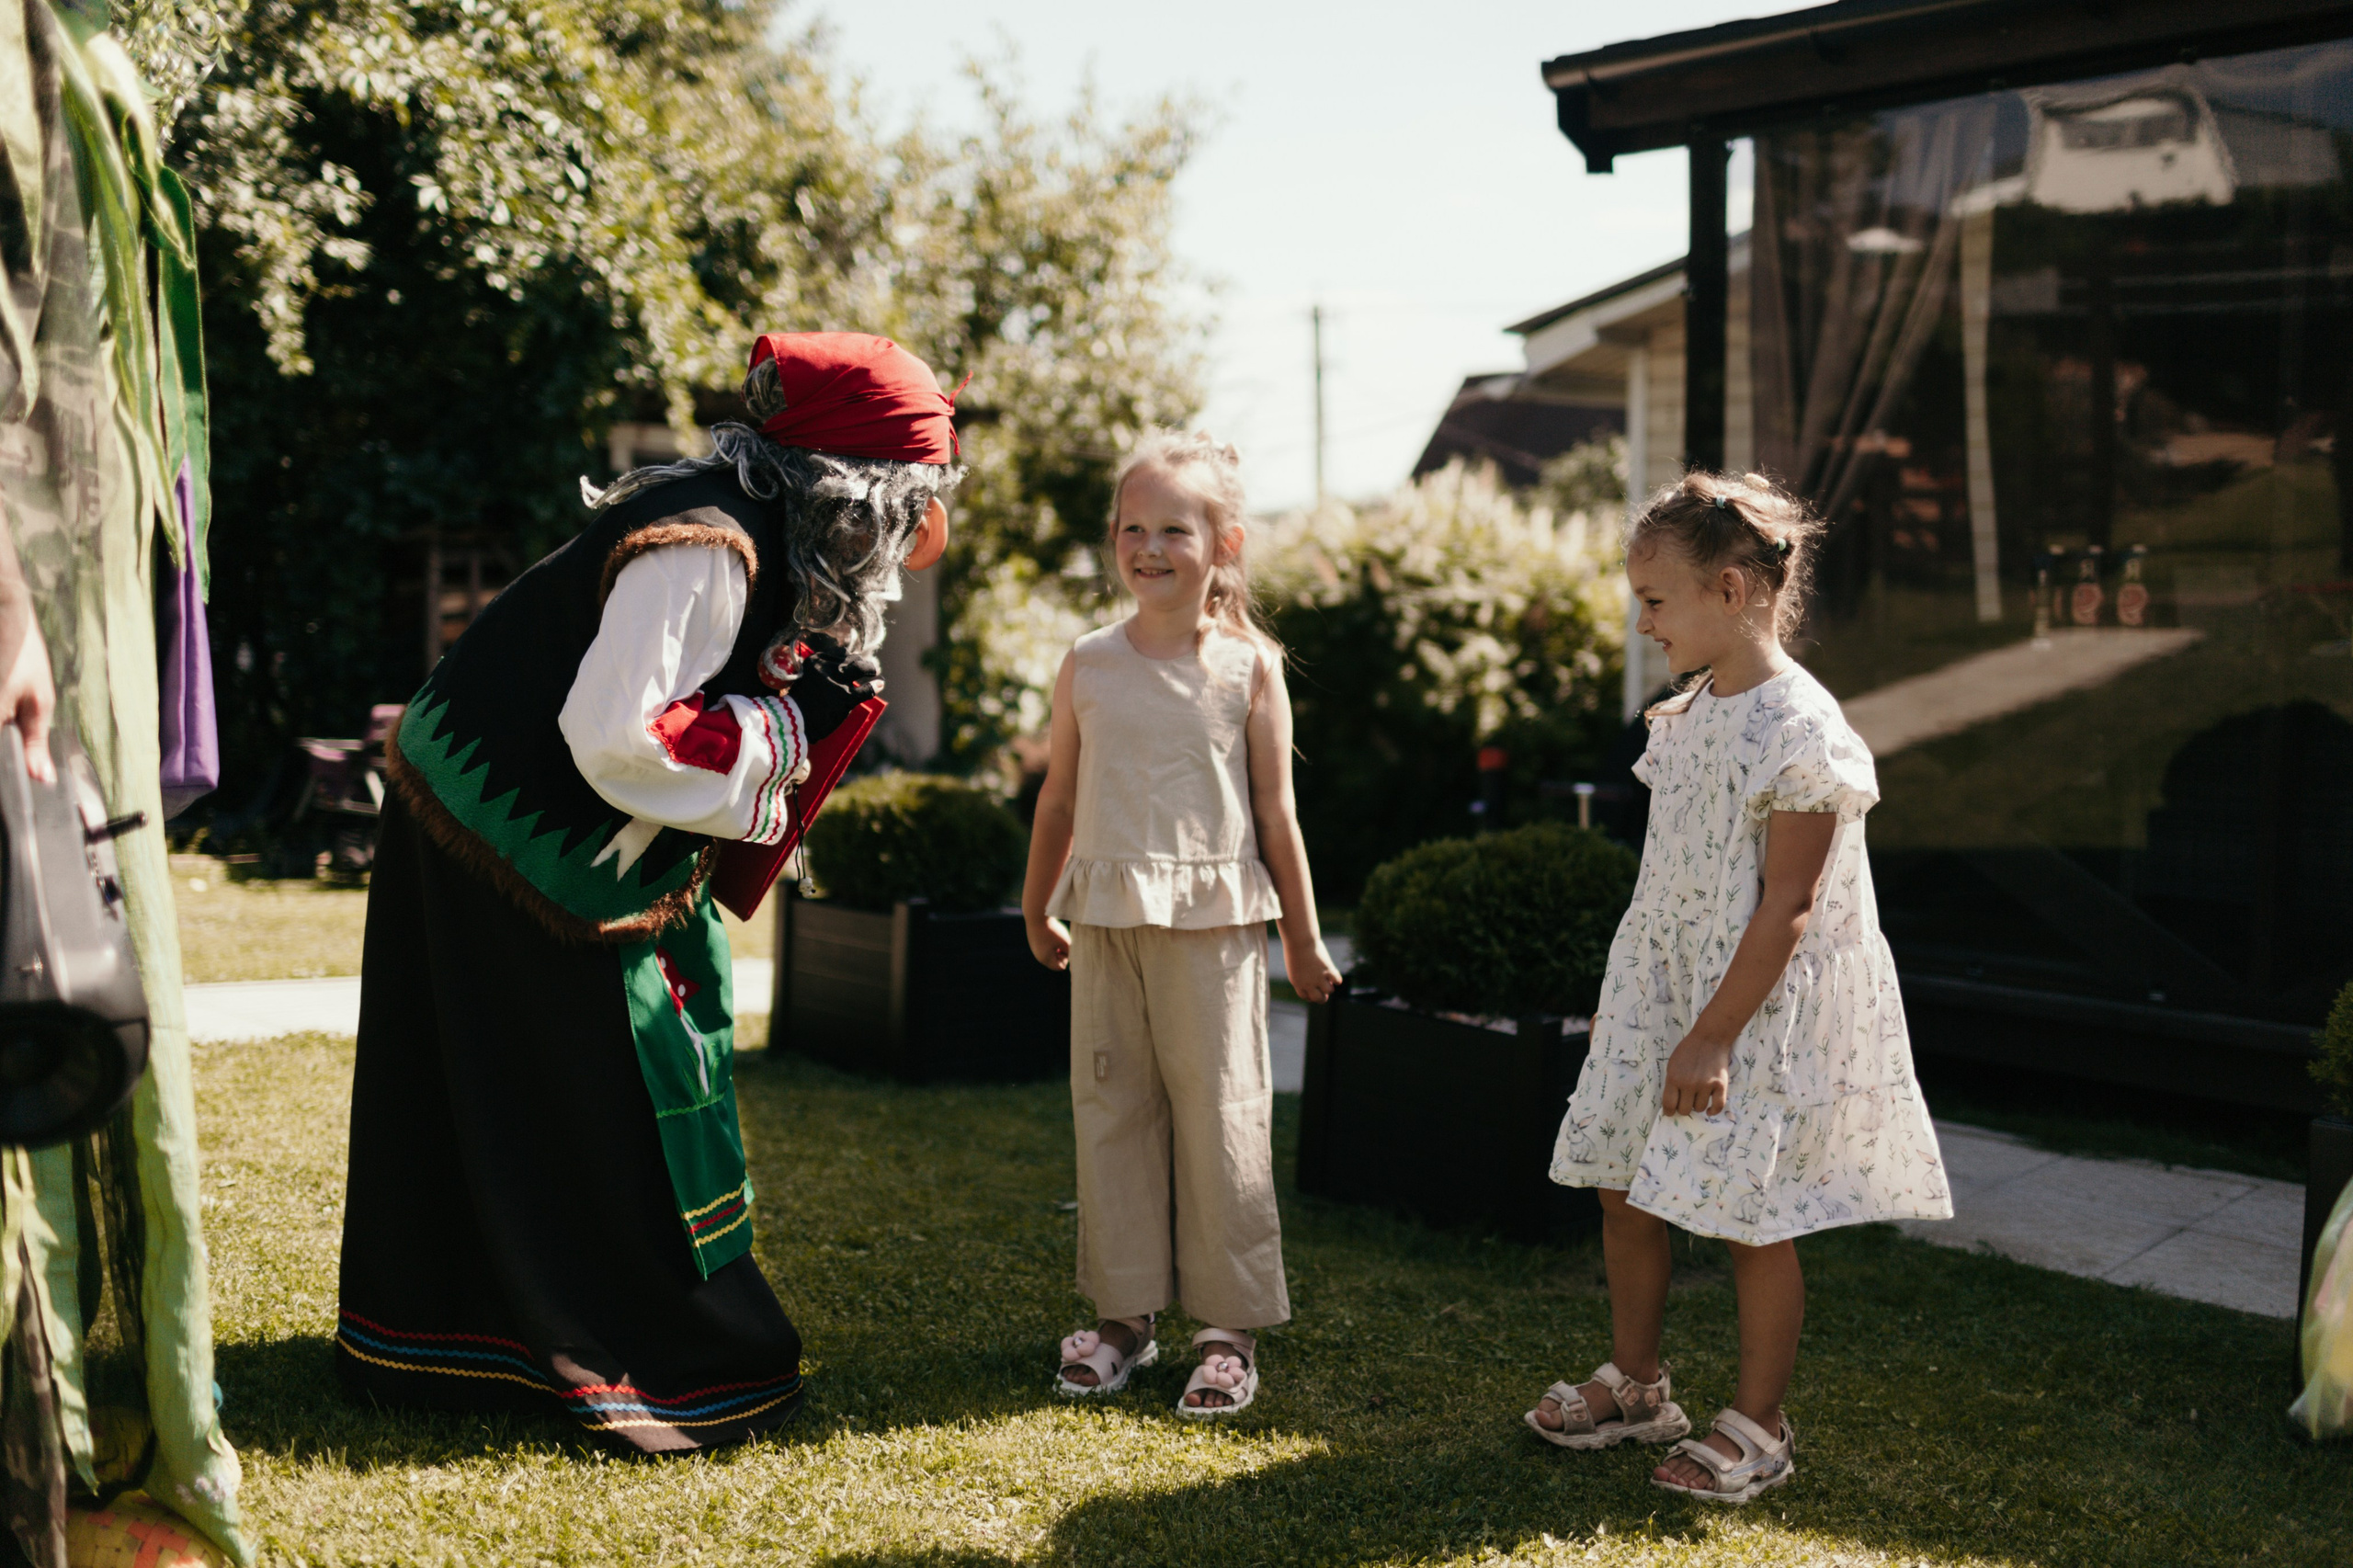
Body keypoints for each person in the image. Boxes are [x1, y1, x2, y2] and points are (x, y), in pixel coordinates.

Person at [337, 333, 960, 1452]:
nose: (916, 531)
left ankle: (503, 1333)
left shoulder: (753, 531)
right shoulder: (705, 547)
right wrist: (786, 732)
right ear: (856, 491)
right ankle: (589, 1346)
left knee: (540, 1084)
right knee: (573, 1087)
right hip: (495, 827)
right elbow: (619, 734)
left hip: (538, 824)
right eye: (912, 498)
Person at [1524, 472, 1950, 1502]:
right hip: (1660, 988)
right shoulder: (1683, 716)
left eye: (1654, 600)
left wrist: (1713, 1034)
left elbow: (1788, 905)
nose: (1643, 623)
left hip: (1749, 1004)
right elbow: (1674, 878)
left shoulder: (1802, 730)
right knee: (1622, 1181)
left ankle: (1760, 1423)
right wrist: (1642, 1000)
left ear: (1729, 588)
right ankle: (1638, 1384)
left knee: (1749, 1212)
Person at [1021, 432, 1340, 1416]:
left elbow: (1278, 813)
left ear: (1224, 544)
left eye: (1174, 530)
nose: (1149, 548)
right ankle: (1125, 1317)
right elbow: (1058, 799)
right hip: (1105, 920)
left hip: (1213, 930)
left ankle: (1227, 1327)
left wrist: (1302, 938)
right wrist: (1036, 904)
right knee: (1112, 1107)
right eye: (1133, 528)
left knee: (1222, 1115)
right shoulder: (1087, 662)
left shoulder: (1248, 667)